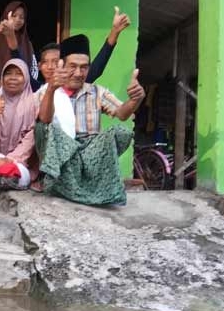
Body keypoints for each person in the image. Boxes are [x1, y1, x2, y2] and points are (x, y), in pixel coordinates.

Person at [34, 34, 145, 205]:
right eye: (73, 66)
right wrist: (51, 90)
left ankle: (82, 187)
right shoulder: (47, 91)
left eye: (84, 67)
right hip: (62, 156)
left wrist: (134, 100)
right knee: (43, 128)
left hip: (89, 155)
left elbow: (123, 114)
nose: (78, 73)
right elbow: (45, 119)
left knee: (119, 132)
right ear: (62, 65)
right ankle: (66, 184)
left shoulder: (96, 92)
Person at [37, 6, 131, 89]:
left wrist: (115, 32)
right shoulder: (33, 91)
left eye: (55, 61)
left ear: (63, 65)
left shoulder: (75, 86)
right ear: (39, 66)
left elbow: (97, 67)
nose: (50, 67)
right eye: (45, 62)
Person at [0, 59, 38, 190]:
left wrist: (9, 159)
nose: (13, 78)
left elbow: (31, 139)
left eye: (18, 74)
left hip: (22, 162)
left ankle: (0, 174)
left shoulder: (34, 103)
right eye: (9, 73)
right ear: (2, 78)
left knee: (11, 176)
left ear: (27, 78)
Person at [0, 1, 38, 80]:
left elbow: (34, 68)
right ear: (6, 16)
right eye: (14, 16)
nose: (18, 20)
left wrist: (28, 84)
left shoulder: (25, 40)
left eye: (21, 17)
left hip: (21, 87)